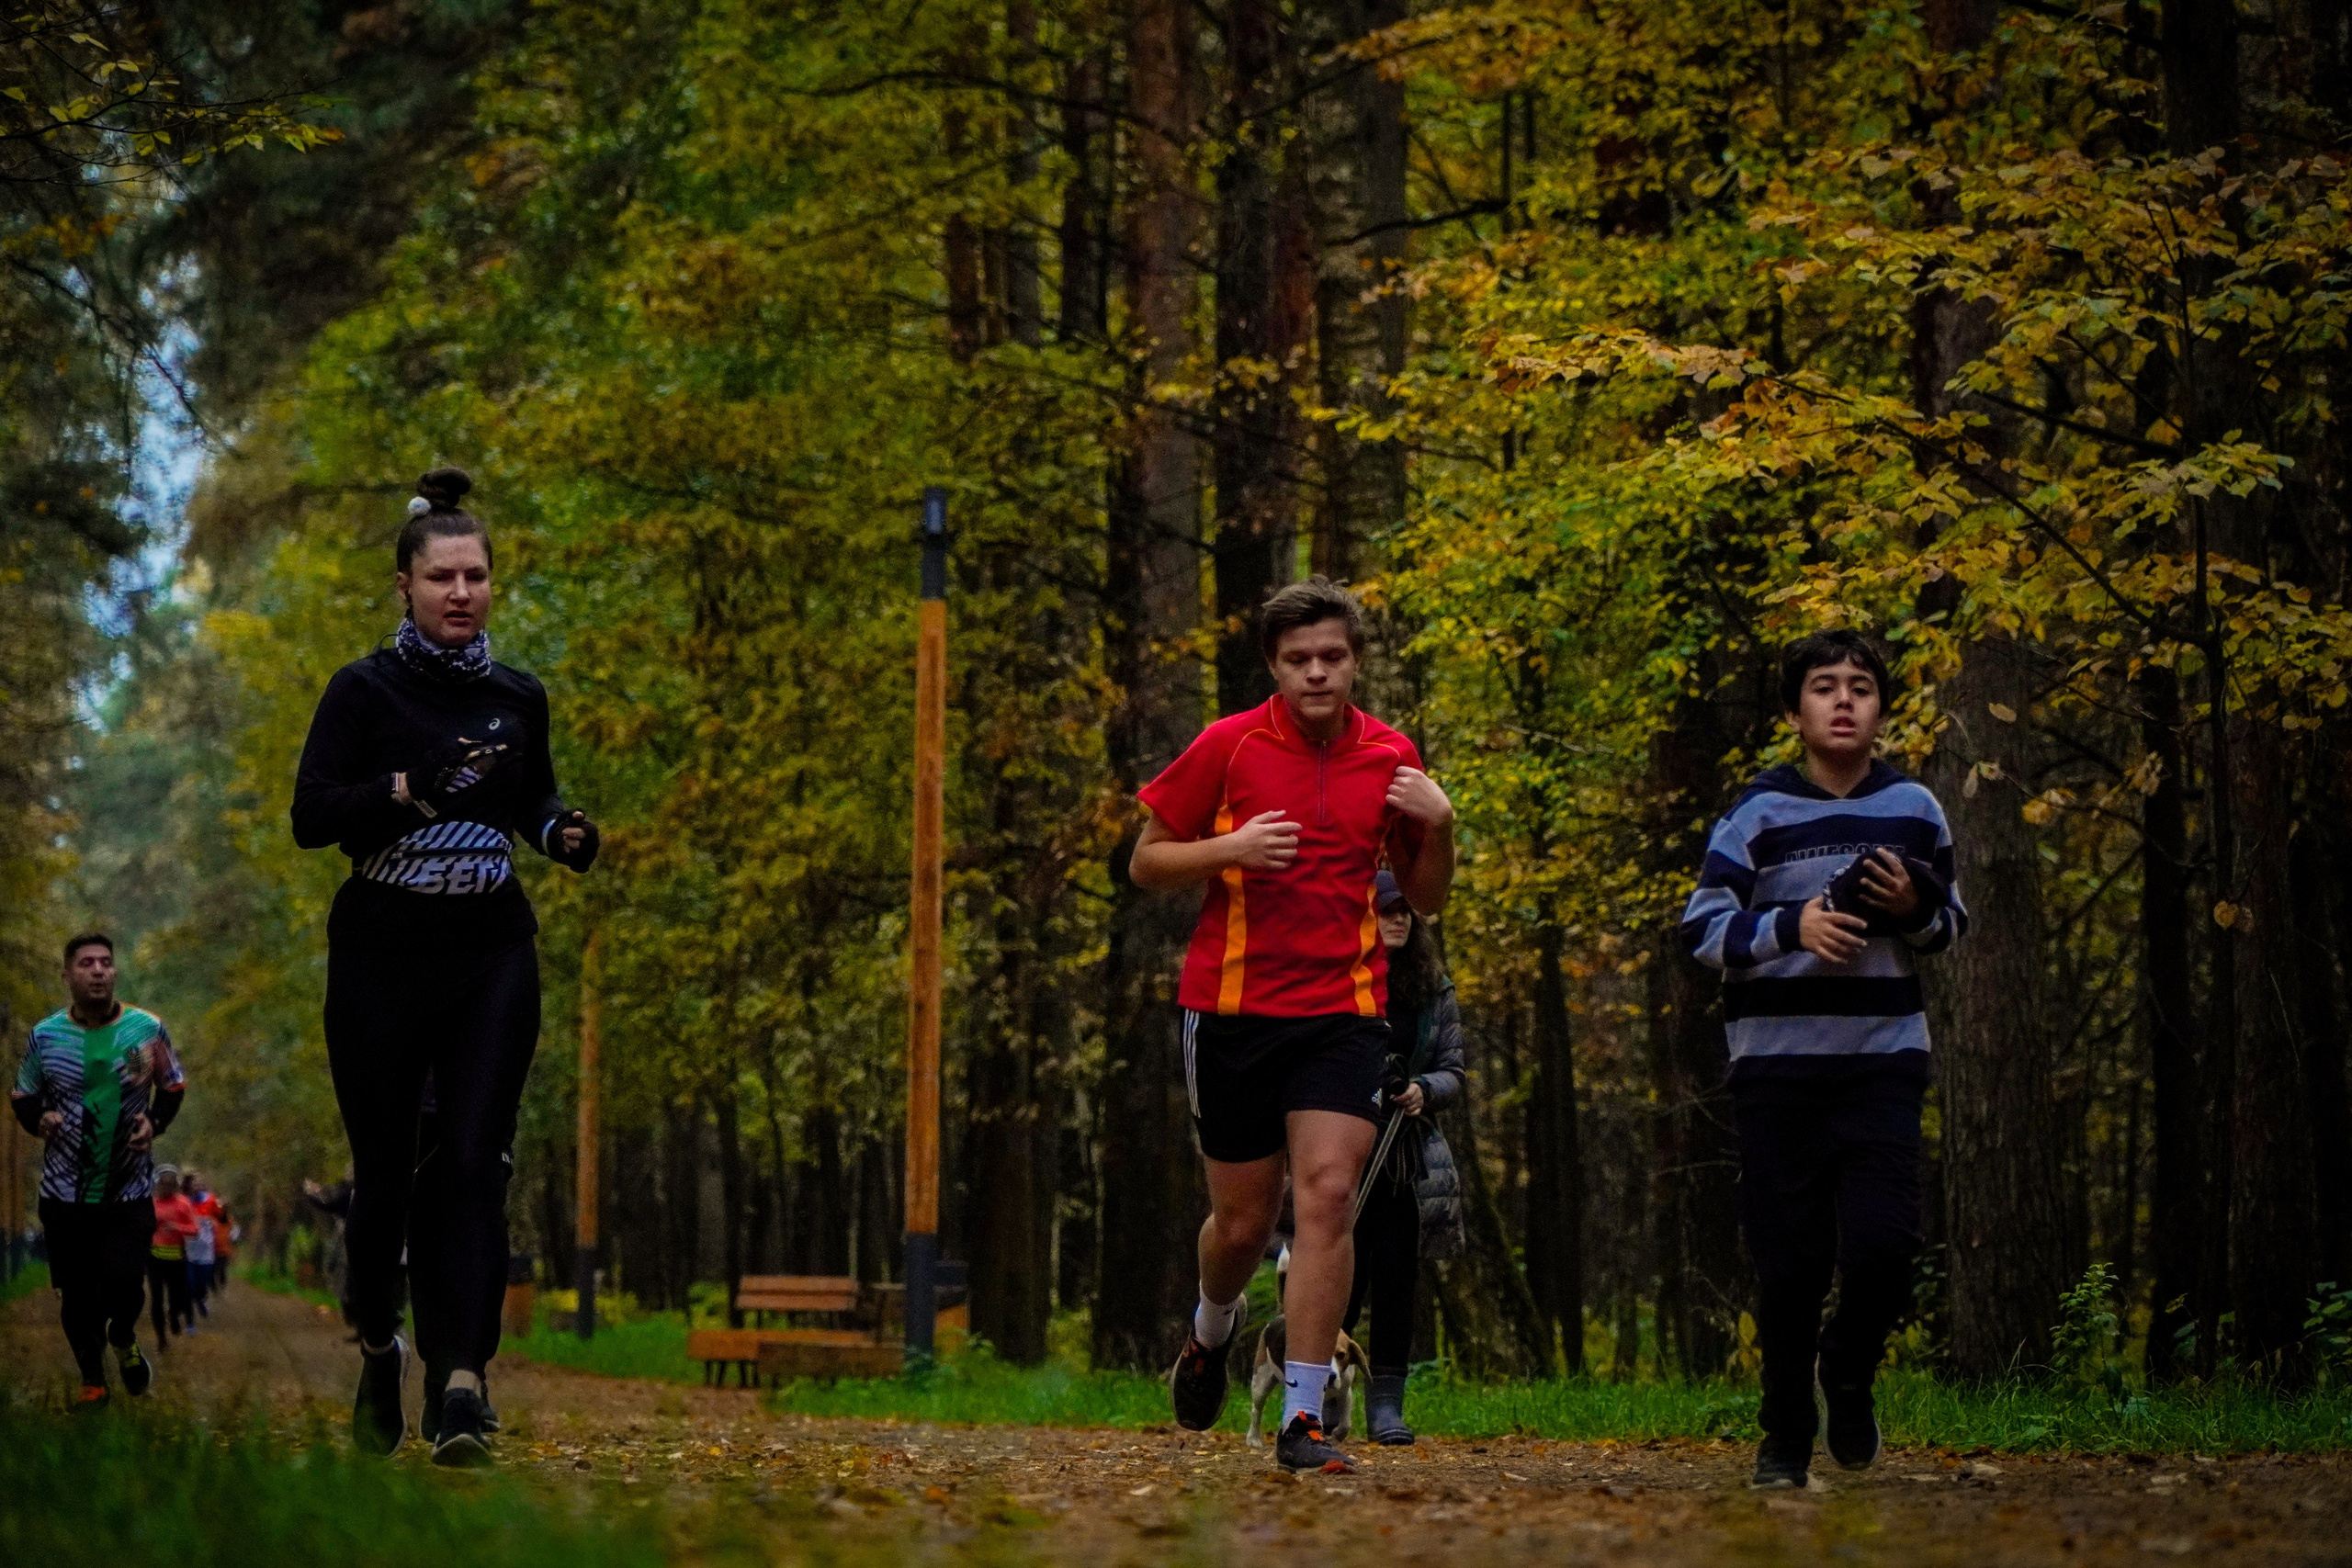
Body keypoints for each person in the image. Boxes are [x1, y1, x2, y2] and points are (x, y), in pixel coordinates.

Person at [291, 467, 600, 1466]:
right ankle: (381, 1349)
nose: (462, 593)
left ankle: (462, 1385)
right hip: (381, 952)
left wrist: (561, 830)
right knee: (385, 1180)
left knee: (474, 1162)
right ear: (405, 588)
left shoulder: (519, 697)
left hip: (488, 951)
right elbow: (310, 817)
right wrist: (405, 788)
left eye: (476, 577)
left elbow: (533, 797)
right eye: (442, 578)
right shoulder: (362, 691)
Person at [1136, 577, 1456, 1476]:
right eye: (1297, 660)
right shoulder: (1226, 747)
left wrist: (1443, 828)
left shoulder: (1391, 758)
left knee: (1323, 1196)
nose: (1317, 674)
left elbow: (1425, 896)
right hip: (1231, 1008)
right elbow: (1146, 861)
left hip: (1341, 1010)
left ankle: (1303, 1419)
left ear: (1355, 662)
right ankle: (1210, 1332)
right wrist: (1228, 849)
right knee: (1239, 1229)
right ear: (1273, 669)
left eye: (1332, 657)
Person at [1680, 629, 1968, 1491]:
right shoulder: (1756, 812)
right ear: (1794, 709)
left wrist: (1916, 905)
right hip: (1775, 1071)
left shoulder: (1915, 807)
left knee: (1887, 1244)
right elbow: (1699, 930)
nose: (1843, 700)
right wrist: (1788, 928)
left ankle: (1847, 1369)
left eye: (1861, 688)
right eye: (1823, 687)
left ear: (1882, 708)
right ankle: (1785, 1434)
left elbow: (1949, 926)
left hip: (1883, 1061)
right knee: (1790, 1262)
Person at [10, 932, 180, 1408]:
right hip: (64, 1192)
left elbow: (173, 1085)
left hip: (128, 1190)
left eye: (106, 962)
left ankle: (123, 1336)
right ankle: (92, 1381)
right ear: (67, 976)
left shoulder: (147, 1030)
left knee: (125, 1283)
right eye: (87, 963)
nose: (99, 971)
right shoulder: (45, 1037)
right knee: (78, 1293)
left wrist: (155, 1121)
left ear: (115, 973)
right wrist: (39, 1118)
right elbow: (23, 1095)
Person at [1340, 871, 1466, 1447]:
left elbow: (1455, 1070)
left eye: (1404, 911)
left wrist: (1423, 1089)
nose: (1397, 919)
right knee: (1342, 1270)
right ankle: (1318, 1395)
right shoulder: (1339, 978)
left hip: (1405, 1159)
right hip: (1342, 1148)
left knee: (1396, 1275)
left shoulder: (1433, 988)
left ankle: (1385, 1405)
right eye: (1385, 909)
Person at [148, 1166, 198, 1341]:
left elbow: (194, 1229)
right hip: (154, 1259)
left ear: (175, 1185)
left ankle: (174, 1315)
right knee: (157, 1299)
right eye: (163, 1184)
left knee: (176, 1297)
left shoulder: (183, 1203)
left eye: (170, 1185)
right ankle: (161, 1337)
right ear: (157, 1185)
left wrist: (176, 1227)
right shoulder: (150, 1204)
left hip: (177, 1258)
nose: (166, 1188)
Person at [183, 1168, 220, 1320]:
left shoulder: (210, 1200)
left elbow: (221, 1218)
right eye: (194, 1183)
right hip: (188, 1247)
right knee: (190, 1282)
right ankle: (189, 1307)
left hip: (206, 1247)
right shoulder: (184, 1201)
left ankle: (201, 1299)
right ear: (189, 1185)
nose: (197, 1186)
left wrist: (214, 1223)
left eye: (200, 1183)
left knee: (203, 1281)